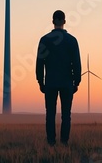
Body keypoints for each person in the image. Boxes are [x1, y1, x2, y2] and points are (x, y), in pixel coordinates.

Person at [36, 10, 82, 146]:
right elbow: (77, 63)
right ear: (64, 21)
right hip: (67, 83)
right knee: (66, 115)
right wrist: (76, 81)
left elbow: (40, 62)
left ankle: (51, 141)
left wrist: (40, 81)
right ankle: (64, 141)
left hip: (50, 82)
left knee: (50, 114)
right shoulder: (72, 41)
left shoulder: (45, 40)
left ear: (52, 21)